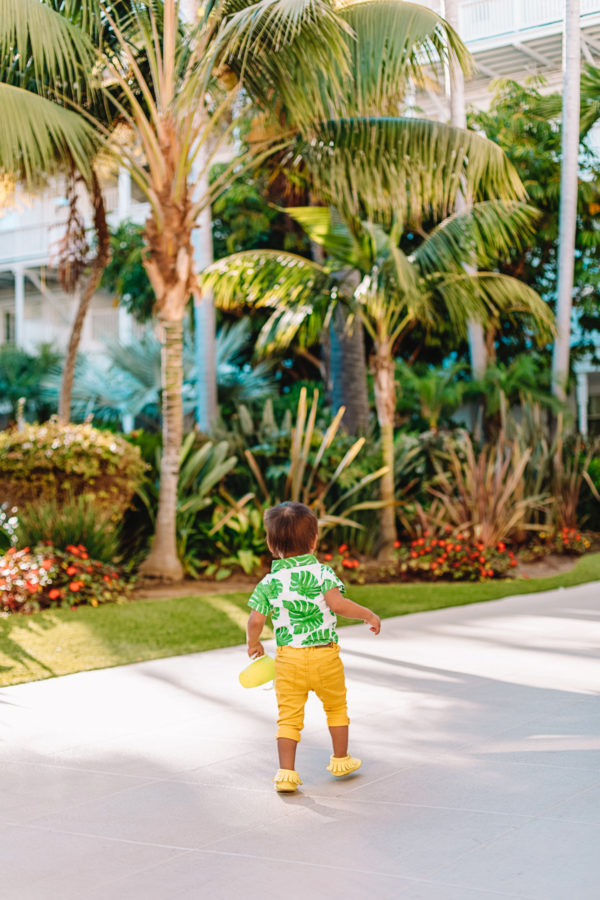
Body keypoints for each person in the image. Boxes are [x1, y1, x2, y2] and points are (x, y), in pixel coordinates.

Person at [246, 501, 381, 793]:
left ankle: (286, 774)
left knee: (289, 718)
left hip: (288, 662)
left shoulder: (269, 582)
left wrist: (253, 643)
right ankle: (341, 759)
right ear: (314, 540)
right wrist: (367, 614)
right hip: (325, 658)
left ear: (271, 544)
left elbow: (255, 620)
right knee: (336, 707)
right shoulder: (321, 573)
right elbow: (339, 605)